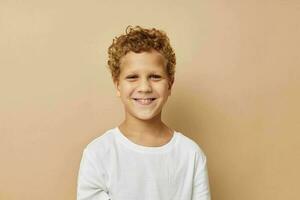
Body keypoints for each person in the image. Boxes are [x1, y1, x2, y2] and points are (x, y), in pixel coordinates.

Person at [77, 25, 211, 200]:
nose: (144, 87)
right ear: (117, 85)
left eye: (155, 77)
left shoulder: (191, 155)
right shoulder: (98, 154)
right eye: (132, 77)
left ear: (170, 84)